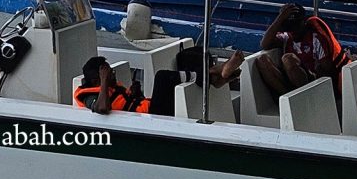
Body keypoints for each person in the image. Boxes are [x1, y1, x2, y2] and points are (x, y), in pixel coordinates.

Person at [74, 54, 246, 115]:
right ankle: (214, 73)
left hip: (150, 112)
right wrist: (104, 80)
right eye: (108, 72)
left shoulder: (108, 87)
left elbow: (128, 105)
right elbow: (102, 109)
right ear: (97, 79)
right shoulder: (89, 96)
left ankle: (216, 78)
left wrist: (136, 94)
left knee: (175, 82)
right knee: (163, 77)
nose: (112, 73)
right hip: (153, 118)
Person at [255, 3, 349, 97]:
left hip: (312, 83)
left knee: (288, 58)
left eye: (295, 27)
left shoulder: (316, 37)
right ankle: (286, 98)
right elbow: (264, 44)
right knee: (262, 60)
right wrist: (280, 18)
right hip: (291, 84)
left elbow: (327, 70)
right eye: (289, 27)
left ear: (303, 22)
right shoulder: (286, 37)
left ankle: (300, 98)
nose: (293, 31)